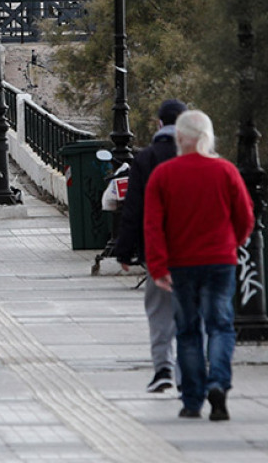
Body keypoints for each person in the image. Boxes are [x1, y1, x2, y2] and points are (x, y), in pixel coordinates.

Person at [144, 110, 254, 421]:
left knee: (188, 329)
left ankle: (192, 400)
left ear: (179, 138)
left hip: (181, 264)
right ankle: (218, 383)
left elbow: (153, 226)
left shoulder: (163, 175)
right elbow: (245, 217)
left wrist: (158, 267)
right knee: (220, 325)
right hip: (220, 261)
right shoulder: (225, 171)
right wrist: (232, 244)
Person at [112, 98, 187, 394]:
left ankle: (163, 368)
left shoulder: (146, 158)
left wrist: (124, 249)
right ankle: (187, 371)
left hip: (157, 250)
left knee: (159, 310)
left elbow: (133, 208)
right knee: (190, 312)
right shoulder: (195, 156)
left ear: (159, 124)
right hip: (193, 250)